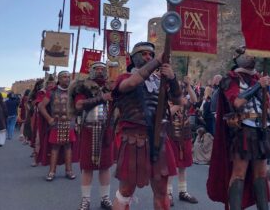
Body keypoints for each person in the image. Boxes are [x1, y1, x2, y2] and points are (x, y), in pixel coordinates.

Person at [207, 47, 270, 210]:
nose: (252, 57)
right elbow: (237, 102)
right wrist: (258, 86)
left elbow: (266, 106)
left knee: (261, 175)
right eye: (247, 54)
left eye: (253, 54)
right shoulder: (230, 78)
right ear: (237, 58)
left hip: (262, 130)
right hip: (243, 130)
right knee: (239, 173)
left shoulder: (258, 78)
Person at [111, 42, 181, 210]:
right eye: (144, 54)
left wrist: (172, 79)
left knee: (162, 191)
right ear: (134, 58)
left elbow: (178, 101)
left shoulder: (160, 80)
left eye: (150, 54)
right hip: (135, 140)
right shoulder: (124, 78)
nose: (148, 57)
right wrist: (157, 61)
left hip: (159, 140)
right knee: (125, 191)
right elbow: (132, 84)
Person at [70, 62, 114, 210]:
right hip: (88, 129)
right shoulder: (83, 86)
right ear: (91, 71)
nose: (100, 71)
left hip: (106, 130)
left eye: (103, 69)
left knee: (105, 167)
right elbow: (79, 105)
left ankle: (105, 198)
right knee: (87, 167)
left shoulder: (110, 87)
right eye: (97, 69)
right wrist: (102, 98)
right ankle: (85, 200)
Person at [38, 71, 77, 181]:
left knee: (68, 147)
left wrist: (76, 120)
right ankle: (52, 171)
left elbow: (78, 107)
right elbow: (41, 106)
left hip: (69, 123)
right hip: (56, 123)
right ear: (59, 79)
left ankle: (69, 170)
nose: (67, 79)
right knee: (55, 147)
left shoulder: (73, 92)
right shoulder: (52, 92)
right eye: (64, 77)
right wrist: (49, 118)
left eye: (68, 77)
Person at [167, 76, 198, 206]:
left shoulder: (185, 97)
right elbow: (167, 113)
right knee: (171, 166)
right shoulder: (167, 98)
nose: (179, 88)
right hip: (171, 136)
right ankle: (168, 193)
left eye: (181, 86)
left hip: (184, 135)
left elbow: (195, 100)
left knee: (183, 166)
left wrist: (189, 86)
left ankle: (183, 191)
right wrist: (180, 103)